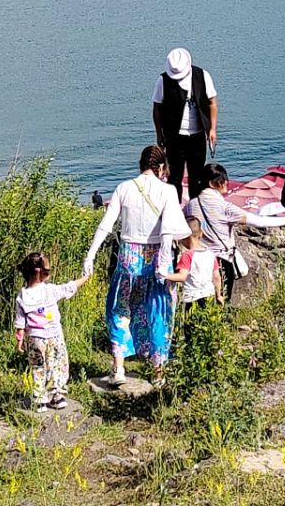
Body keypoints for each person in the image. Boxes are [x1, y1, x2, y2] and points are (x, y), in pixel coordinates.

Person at [83, 145, 187, 385]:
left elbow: (106, 225)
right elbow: (172, 230)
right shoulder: (168, 191)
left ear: (140, 165)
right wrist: (169, 259)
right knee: (158, 312)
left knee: (120, 309)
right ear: (160, 167)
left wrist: (90, 255)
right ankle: (158, 372)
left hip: (128, 257)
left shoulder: (124, 188)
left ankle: (118, 368)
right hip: (157, 258)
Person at [13, 251, 88, 411]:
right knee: (57, 365)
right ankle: (56, 396)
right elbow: (70, 287)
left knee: (37, 367)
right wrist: (85, 277)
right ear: (39, 271)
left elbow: (20, 322)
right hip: (54, 336)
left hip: (34, 338)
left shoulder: (22, 295)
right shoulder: (50, 290)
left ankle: (40, 400)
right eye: (48, 270)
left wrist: (20, 339)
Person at [152, 49, 218, 202]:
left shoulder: (202, 76)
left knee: (197, 175)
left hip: (197, 134)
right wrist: (159, 134)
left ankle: (195, 208)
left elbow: (212, 102)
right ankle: (173, 208)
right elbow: (157, 109)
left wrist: (212, 129)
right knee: (174, 176)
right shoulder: (163, 80)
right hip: (174, 136)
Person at [187, 164, 253, 303]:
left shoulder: (190, 205)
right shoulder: (224, 206)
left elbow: (179, 228)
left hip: (199, 257)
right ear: (212, 183)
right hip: (222, 258)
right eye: (222, 180)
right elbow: (256, 220)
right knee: (223, 300)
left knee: (201, 300)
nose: (226, 182)